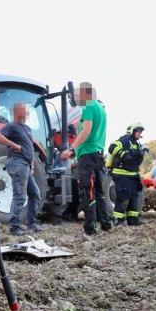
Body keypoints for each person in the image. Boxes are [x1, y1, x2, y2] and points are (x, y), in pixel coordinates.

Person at [60, 82, 113, 235]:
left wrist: (72, 148)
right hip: (97, 154)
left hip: (87, 154)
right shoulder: (101, 109)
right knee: (98, 190)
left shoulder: (88, 106)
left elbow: (87, 130)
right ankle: (106, 224)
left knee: (86, 191)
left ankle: (90, 228)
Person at [0, 103, 41, 235]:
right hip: (17, 162)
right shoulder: (11, 126)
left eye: (27, 111)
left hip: (26, 165)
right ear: (17, 113)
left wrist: (32, 165)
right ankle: (14, 227)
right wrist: (14, 145)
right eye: (24, 111)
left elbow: (30, 147)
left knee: (35, 194)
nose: (26, 114)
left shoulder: (27, 128)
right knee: (20, 196)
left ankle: (32, 224)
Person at [107, 123, 147, 226]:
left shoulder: (136, 144)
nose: (139, 133)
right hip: (122, 175)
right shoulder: (124, 141)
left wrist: (142, 152)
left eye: (140, 132)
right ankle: (118, 220)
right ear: (132, 131)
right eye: (138, 131)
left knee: (134, 197)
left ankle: (133, 219)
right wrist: (123, 154)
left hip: (133, 175)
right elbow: (112, 147)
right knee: (123, 197)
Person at [63, 124, 81, 222]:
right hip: (71, 179)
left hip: (77, 179)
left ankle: (74, 215)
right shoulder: (68, 159)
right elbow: (68, 167)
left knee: (76, 198)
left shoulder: (76, 157)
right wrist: (78, 164)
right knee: (74, 198)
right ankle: (72, 215)